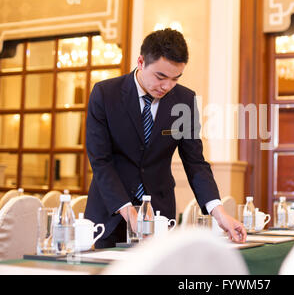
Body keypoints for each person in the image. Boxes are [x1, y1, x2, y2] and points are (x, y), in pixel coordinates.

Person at [85, 29, 246, 248]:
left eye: (175, 78)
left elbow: (195, 163)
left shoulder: (185, 100)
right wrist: (131, 213)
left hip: (160, 217)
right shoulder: (105, 94)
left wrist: (219, 214)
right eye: (160, 77)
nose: (167, 86)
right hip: (110, 215)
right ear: (141, 62)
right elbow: (101, 161)